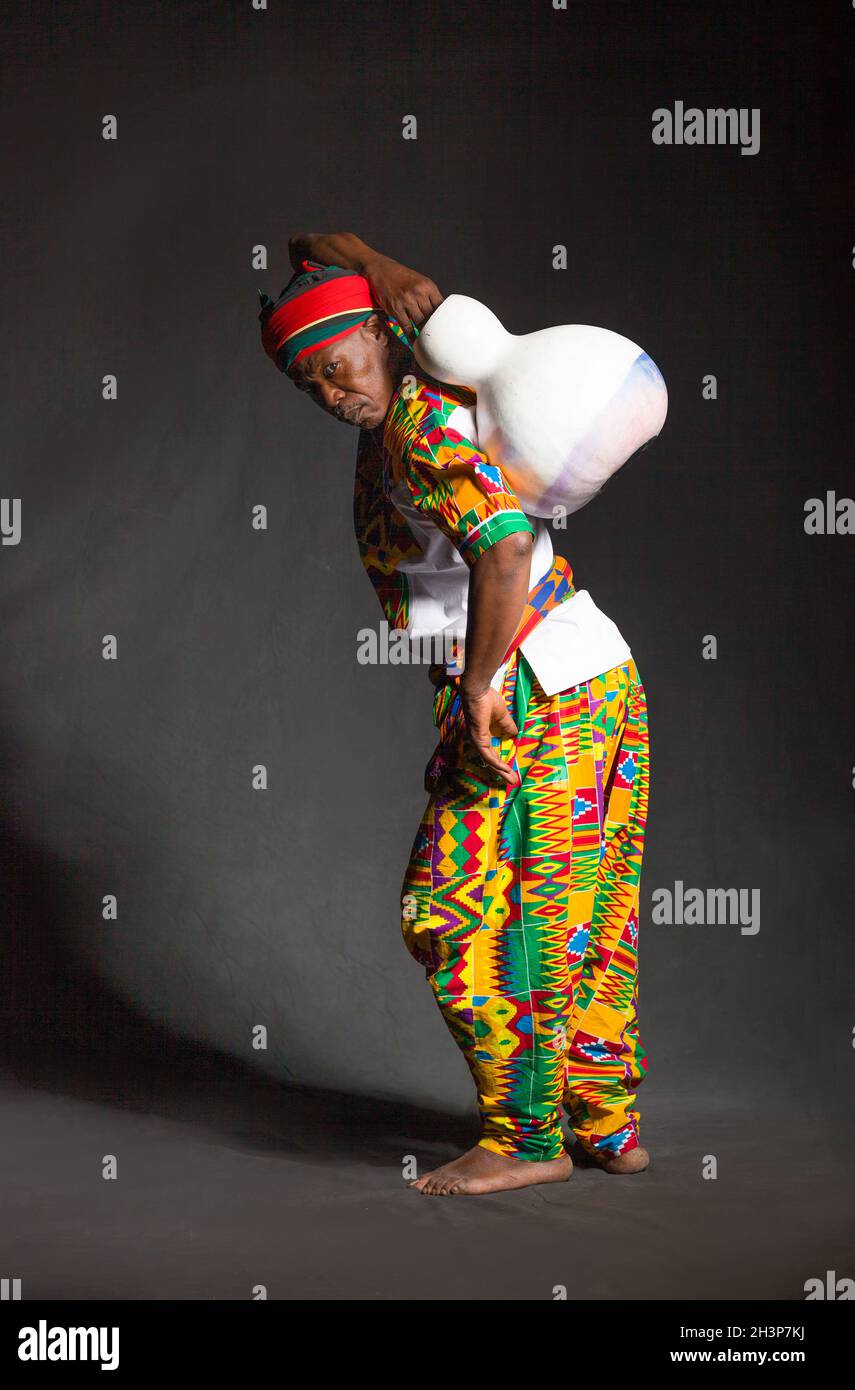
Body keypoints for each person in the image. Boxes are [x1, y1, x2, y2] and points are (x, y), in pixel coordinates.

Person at [258, 232, 651, 1196]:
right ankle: (605, 1123)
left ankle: (525, 1141)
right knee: (586, 912)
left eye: (338, 365)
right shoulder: (414, 399)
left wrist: (475, 688)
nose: (330, 392)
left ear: (378, 338)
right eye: (307, 383)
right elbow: (314, 240)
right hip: (599, 679)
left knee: (456, 914)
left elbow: (506, 548)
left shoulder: (419, 427)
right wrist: (381, 268)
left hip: (530, 696)